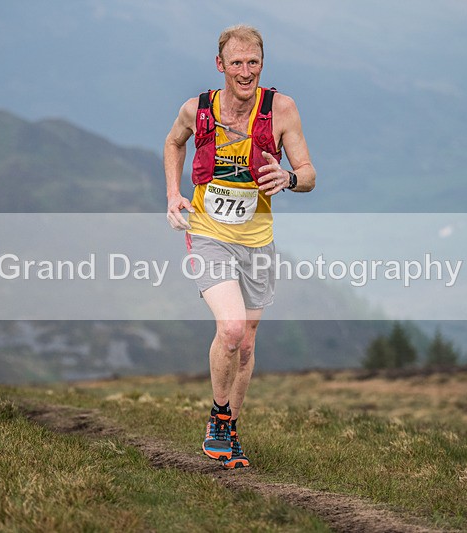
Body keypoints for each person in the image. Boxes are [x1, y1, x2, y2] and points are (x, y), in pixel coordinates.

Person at [163, 24, 316, 469]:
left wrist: (288, 177)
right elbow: (173, 142)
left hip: (258, 242)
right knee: (230, 329)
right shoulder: (196, 110)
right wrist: (173, 194)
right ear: (220, 65)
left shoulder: (282, 109)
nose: (245, 72)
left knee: (246, 345)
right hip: (209, 234)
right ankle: (218, 417)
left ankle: (229, 430)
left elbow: (309, 174)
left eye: (253, 62)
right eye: (236, 63)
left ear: (262, 64)